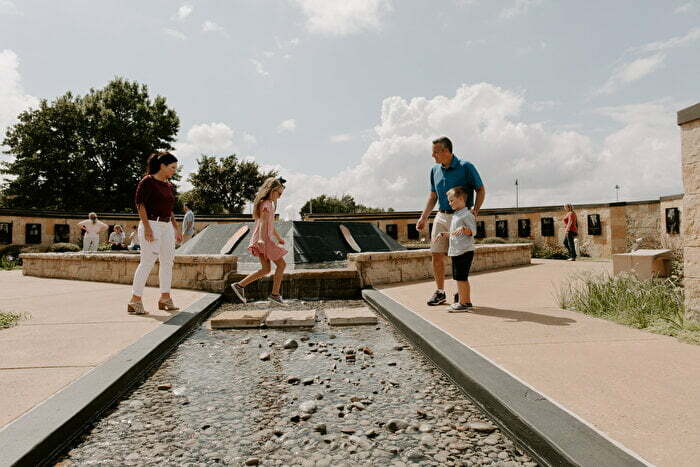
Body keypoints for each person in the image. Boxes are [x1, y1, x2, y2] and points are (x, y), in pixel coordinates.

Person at [416, 136, 485, 306]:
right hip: (441, 215)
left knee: (459, 254)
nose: (433, 156)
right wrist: (424, 216)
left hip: (460, 217)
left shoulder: (466, 167)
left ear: (446, 151)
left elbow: (480, 189)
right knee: (436, 253)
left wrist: (475, 210)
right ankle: (440, 292)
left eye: (435, 152)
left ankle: (459, 293)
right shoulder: (434, 170)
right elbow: (433, 196)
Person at [127, 152, 183, 315]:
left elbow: (169, 209)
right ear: (162, 166)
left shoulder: (169, 185)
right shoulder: (148, 182)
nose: (174, 171)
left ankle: (165, 298)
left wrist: (176, 228)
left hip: (166, 226)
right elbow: (140, 205)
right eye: (172, 167)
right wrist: (147, 228)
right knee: (147, 262)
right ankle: (135, 300)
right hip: (151, 223)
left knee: (168, 262)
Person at [230, 177, 288, 305]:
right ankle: (275, 294)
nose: (279, 197)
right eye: (279, 194)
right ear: (272, 191)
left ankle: (240, 286)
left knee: (266, 269)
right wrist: (262, 239)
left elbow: (270, 225)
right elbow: (262, 222)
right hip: (263, 240)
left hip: (261, 240)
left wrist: (278, 238)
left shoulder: (268, 204)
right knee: (282, 265)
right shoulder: (267, 204)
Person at [437, 187, 477, 312]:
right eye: (449, 201)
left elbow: (473, 231)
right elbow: (456, 233)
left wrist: (465, 230)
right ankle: (465, 302)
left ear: (461, 199)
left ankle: (464, 303)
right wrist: (445, 234)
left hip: (464, 251)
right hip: (457, 251)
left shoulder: (467, 214)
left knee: (461, 278)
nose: (450, 203)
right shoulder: (457, 215)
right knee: (459, 278)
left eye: (452, 200)